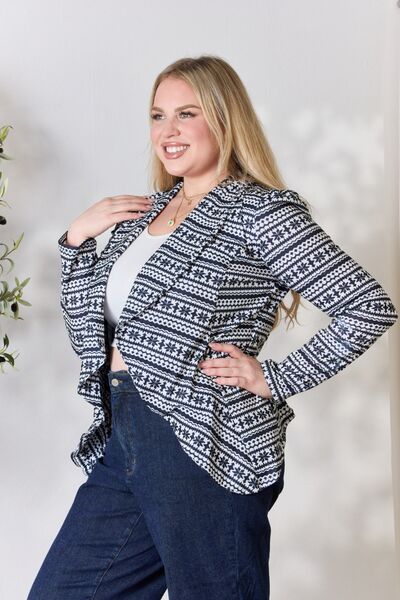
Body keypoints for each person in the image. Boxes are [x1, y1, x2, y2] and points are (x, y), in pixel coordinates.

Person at [27, 55, 398, 600]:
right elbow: (90, 334)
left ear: (224, 118)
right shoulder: (141, 214)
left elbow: (368, 306)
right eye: (158, 116)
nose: (168, 132)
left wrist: (274, 377)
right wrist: (77, 242)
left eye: (186, 114)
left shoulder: (261, 211)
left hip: (203, 436)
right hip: (125, 430)